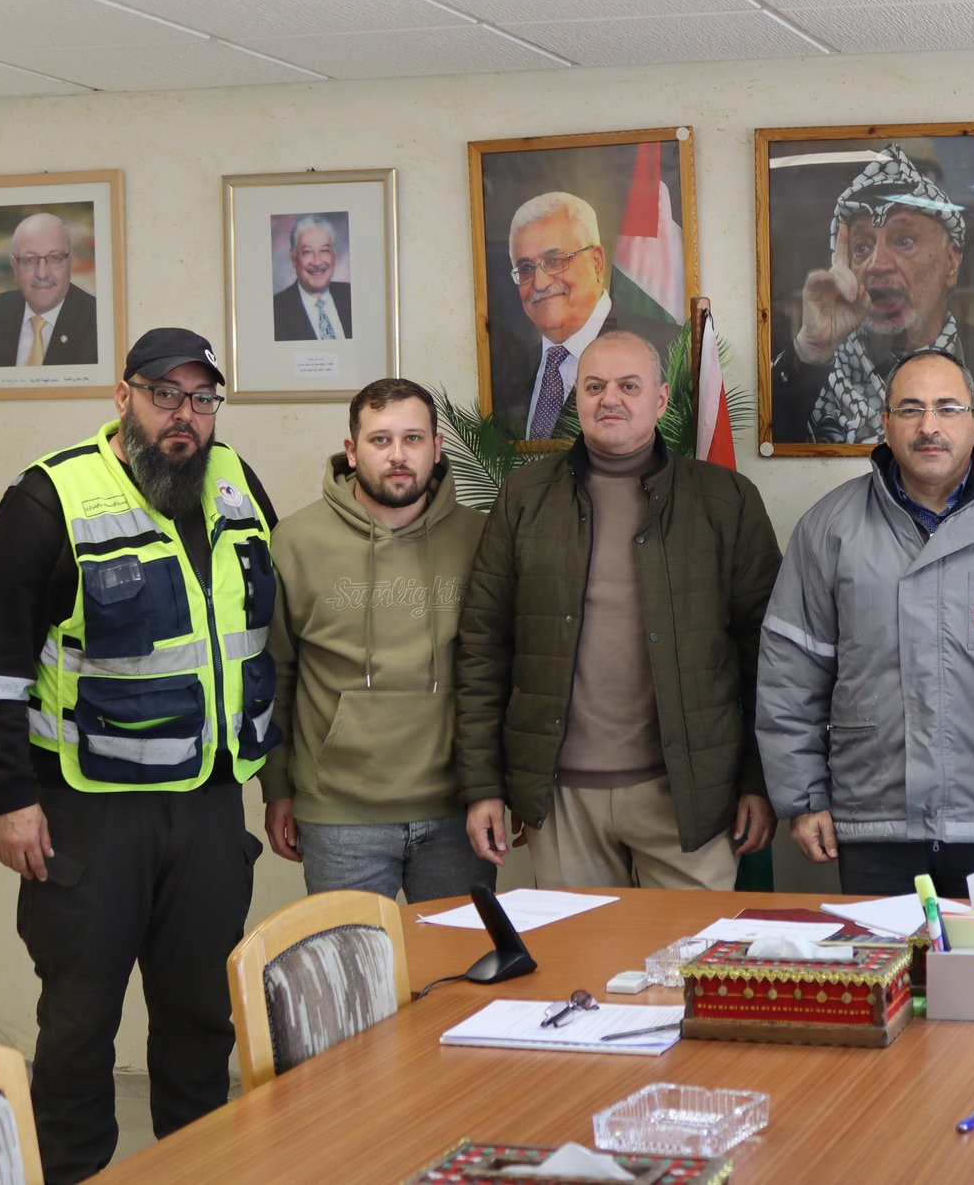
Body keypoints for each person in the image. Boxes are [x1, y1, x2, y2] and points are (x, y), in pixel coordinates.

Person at [0, 327, 278, 1184]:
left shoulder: (238, 485)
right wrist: (8, 795)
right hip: (87, 815)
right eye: (165, 394)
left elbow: (261, 647)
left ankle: (197, 1173)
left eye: (201, 398)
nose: (185, 415)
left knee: (202, 1023)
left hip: (208, 807)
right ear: (123, 396)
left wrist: (274, 777)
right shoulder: (49, 499)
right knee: (78, 1028)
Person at [455, 329, 780, 888]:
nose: (610, 399)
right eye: (594, 386)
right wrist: (483, 785)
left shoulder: (726, 500)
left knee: (692, 947)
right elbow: (483, 647)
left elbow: (767, 654)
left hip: (691, 794)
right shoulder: (523, 498)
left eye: (629, 386)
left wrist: (758, 780)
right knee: (579, 949)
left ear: (660, 399)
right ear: (576, 398)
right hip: (561, 797)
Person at [757, 349, 974, 898]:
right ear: (885, 424)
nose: (929, 425)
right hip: (875, 821)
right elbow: (791, 672)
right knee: (882, 956)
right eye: (910, 409)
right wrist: (804, 797)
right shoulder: (830, 526)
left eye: (947, 408)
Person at [258, 378, 493, 902]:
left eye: (413, 438)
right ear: (351, 450)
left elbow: (500, 671)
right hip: (339, 816)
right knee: (352, 957)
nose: (398, 455)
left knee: (458, 955)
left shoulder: (482, 537)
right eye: (380, 440)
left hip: (458, 810)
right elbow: (275, 677)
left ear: (437, 447)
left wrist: (499, 787)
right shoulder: (295, 541)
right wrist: (277, 790)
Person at [768, 144, 974, 445]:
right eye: (862, 247)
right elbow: (768, 439)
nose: (877, 265)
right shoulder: (815, 366)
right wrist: (812, 351)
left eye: (904, 240)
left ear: (951, 263)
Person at [497, 191, 678, 441]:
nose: (539, 283)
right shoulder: (511, 376)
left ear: (597, 262)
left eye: (555, 260)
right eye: (526, 268)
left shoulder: (670, 350)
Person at [0, 210, 98, 367]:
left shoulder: (96, 320)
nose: (42, 274)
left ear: (70, 263)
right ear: (14, 267)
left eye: (55, 258)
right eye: (29, 260)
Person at [271, 215, 354, 342]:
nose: (317, 262)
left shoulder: (351, 295)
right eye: (307, 252)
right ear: (293, 258)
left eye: (324, 250)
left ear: (334, 255)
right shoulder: (276, 311)